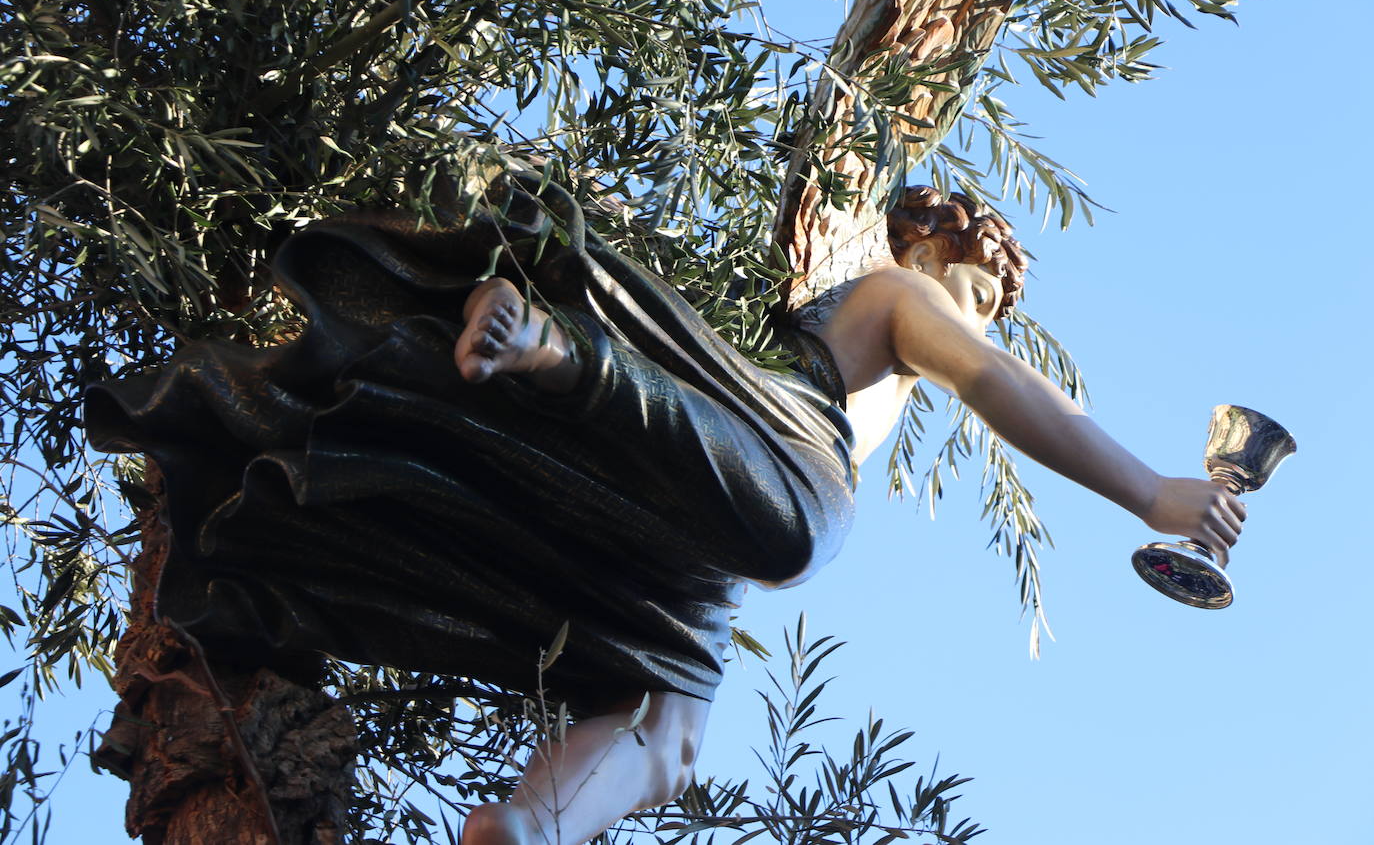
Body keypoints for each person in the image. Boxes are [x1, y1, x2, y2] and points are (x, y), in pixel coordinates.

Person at [453, 184, 1246, 845]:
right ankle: (549, 346)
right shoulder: (897, 291)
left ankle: (533, 825)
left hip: (722, 518)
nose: (974, 322)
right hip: (776, 428)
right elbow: (988, 375)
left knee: (672, 743)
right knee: (803, 526)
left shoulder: (890, 373)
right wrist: (1149, 491)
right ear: (928, 254)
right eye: (976, 297)